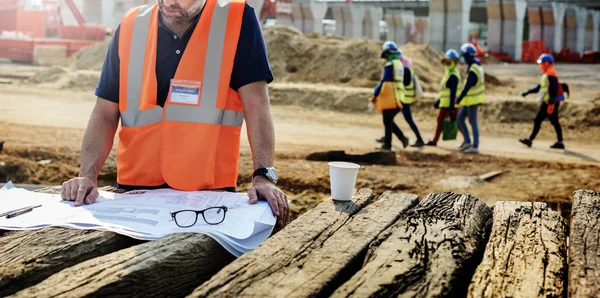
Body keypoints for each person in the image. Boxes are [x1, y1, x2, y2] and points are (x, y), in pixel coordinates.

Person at [60, 0, 289, 227]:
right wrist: (88, 175)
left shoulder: (236, 19)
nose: (169, 1)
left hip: (208, 198)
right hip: (135, 194)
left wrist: (263, 176)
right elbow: (104, 112)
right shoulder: (131, 25)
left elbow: (257, 105)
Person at [520, 53, 568, 149]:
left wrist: (551, 100)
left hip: (549, 103)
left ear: (546, 63)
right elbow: (539, 87)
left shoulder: (551, 73)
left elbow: (554, 87)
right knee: (554, 121)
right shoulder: (546, 74)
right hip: (548, 102)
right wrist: (528, 92)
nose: (540, 66)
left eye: (541, 63)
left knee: (538, 120)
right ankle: (560, 142)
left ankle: (530, 140)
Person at [376, 53, 425, 147]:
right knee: (389, 120)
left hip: (403, 99)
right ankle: (391, 138)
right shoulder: (408, 70)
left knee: (390, 119)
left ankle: (415, 139)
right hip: (404, 99)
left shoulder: (404, 71)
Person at [371, 41, 409, 151]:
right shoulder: (400, 64)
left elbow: (385, 82)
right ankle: (402, 138)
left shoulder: (390, 65)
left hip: (391, 97)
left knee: (387, 121)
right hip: (400, 96)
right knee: (389, 120)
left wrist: (375, 92)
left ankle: (387, 146)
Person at [455, 43, 485, 154]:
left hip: (473, 100)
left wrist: (459, 98)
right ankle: (467, 141)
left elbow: (467, 87)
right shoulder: (474, 66)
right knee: (460, 119)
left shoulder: (473, 69)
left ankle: (475, 146)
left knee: (473, 122)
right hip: (469, 100)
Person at [426, 49, 461, 146]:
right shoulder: (448, 73)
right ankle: (435, 140)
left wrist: (451, 107)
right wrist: (439, 100)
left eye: (449, 62)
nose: (447, 64)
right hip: (445, 103)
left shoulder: (453, 75)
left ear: (454, 62)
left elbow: (453, 92)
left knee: (457, 122)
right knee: (442, 121)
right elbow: (445, 90)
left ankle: (468, 141)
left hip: (449, 104)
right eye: (446, 62)